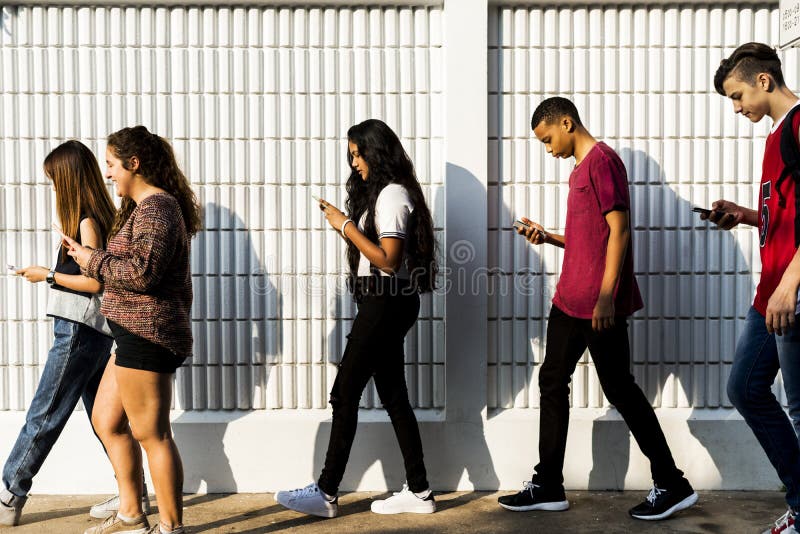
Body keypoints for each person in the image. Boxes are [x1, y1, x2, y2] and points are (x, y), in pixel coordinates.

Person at [497, 97, 697, 520]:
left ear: (567, 123)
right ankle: (548, 483)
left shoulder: (603, 162)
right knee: (552, 380)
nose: (548, 149)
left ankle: (672, 482)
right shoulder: (579, 170)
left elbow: (620, 230)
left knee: (619, 388)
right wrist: (548, 237)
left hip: (596, 304)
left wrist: (608, 296)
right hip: (570, 299)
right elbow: (591, 239)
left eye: (548, 139)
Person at [275, 119, 439, 517]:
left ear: (375, 151)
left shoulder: (393, 196)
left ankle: (327, 491)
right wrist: (347, 226)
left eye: (357, 154)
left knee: (344, 394)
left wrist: (345, 226)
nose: (354, 164)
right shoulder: (386, 195)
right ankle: (419, 491)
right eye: (350, 156)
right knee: (394, 398)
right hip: (384, 302)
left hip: (387, 302)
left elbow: (387, 259)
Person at [62, 126, 201, 534]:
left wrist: (91, 259)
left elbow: (142, 274)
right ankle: (131, 514)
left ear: (133, 164)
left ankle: (170, 526)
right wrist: (92, 257)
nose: (107, 174)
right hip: (129, 332)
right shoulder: (142, 210)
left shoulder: (158, 209)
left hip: (150, 334)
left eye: (111, 164)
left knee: (151, 434)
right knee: (107, 421)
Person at [0, 140, 122, 527]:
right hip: (91, 332)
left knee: (44, 413)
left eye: (55, 182)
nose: (54, 190)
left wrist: (47, 275)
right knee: (106, 419)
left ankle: (8, 494)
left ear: (68, 181)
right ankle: (130, 493)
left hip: (79, 331)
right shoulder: (94, 218)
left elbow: (95, 281)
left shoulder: (87, 220)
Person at [710, 42, 800, 534]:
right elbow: (786, 215)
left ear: (763, 80)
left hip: (790, 293)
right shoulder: (775, 138)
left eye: (737, 95)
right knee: (745, 387)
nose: (737, 106)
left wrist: (790, 284)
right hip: (770, 294)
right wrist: (746, 216)